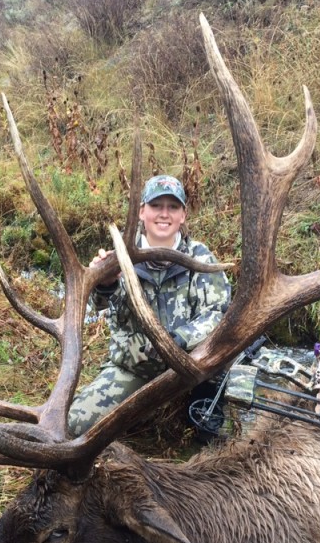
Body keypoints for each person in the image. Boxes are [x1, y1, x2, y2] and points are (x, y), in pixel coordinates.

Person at [67, 175, 231, 436]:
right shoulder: (119, 256)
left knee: (213, 429)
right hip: (136, 367)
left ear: (183, 215)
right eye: (156, 206)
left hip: (189, 367)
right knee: (76, 425)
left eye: (173, 207)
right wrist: (104, 281)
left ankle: (200, 409)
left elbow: (218, 314)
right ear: (142, 212)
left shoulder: (200, 257)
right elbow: (98, 305)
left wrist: (178, 340)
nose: (164, 214)